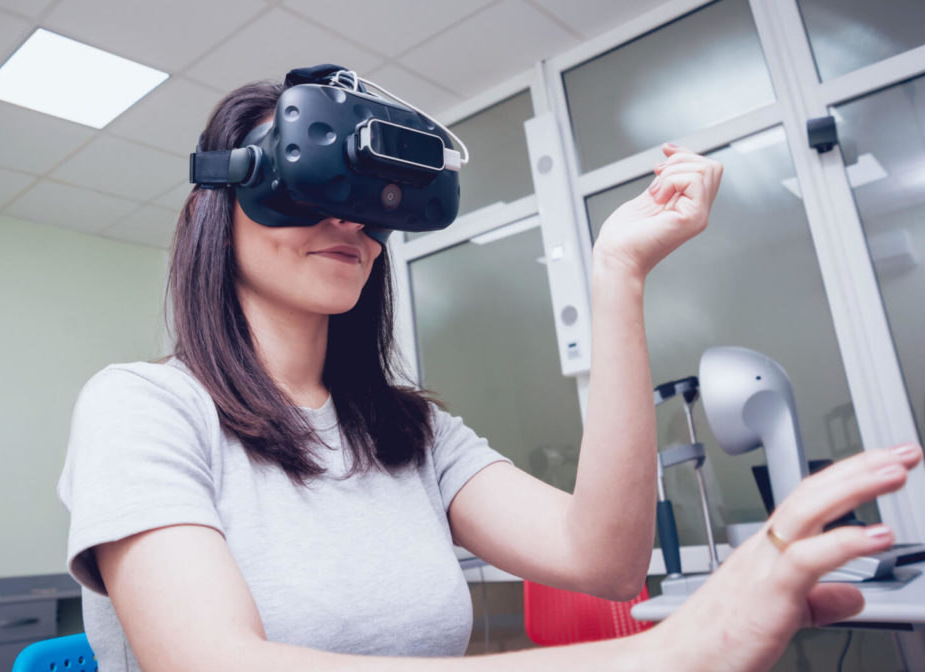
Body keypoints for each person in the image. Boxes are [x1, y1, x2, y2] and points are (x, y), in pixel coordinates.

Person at [58, 75, 922, 672]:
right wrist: (670, 649)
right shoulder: (142, 409)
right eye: (307, 181)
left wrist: (617, 273)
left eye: (368, 201)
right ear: (223, 202)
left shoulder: (408, 433)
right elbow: (213, 662)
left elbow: (606, 560)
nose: (348, 221)